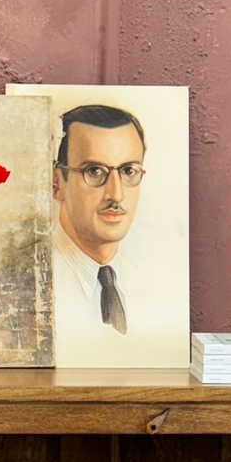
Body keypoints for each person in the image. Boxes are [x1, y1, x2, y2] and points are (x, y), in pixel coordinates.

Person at [51, 104, 148, 359]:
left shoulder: (150, 291)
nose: (116, 194)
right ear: (56, 183)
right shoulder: (32, 289)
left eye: (128, 171)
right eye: (94, 171)